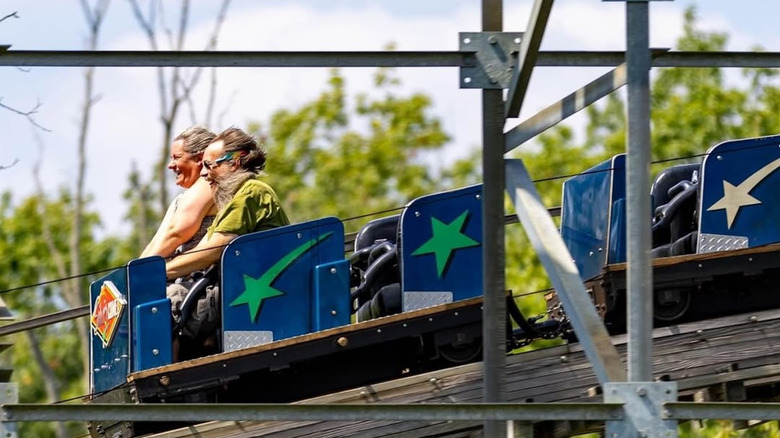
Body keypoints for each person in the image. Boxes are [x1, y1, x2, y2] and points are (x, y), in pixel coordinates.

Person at [165, 127, 290, 346]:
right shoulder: (234, 202)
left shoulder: (251, 192)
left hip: (252, 291)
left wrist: (157, 272)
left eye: (209, 166)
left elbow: (212, 251)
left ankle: (167, 367)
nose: (203, 174)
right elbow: (202, 250)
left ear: (235, 162)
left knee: (167, 301)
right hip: (241, 291)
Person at [140, 126, 218, 259]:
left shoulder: (208, 184)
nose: (170, 165)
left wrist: (142, 269)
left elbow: (175, 234)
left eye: (177, 157)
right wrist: (133, 268)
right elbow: (159, 239)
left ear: (199, 158)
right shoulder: (184, 197)